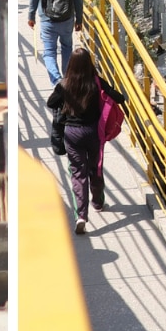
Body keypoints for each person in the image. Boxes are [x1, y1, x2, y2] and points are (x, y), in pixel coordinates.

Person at [46, 48, 117, 235]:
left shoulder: (64, 84)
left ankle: (81, 216)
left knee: (78, 173)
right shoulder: (96, 82)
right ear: (89, 64)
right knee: (96, 168)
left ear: (71, 64)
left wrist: (65, 104)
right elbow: (118, 97)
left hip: (72, 134)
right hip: (94, 132)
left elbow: (51, 103)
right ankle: (98, 202)